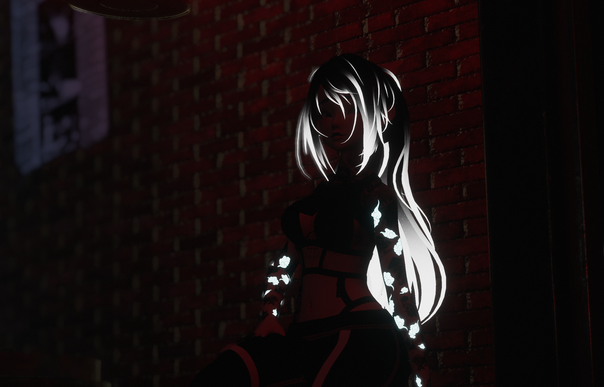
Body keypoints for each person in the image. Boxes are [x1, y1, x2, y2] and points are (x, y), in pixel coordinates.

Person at [191, 54, 446, 387]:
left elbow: (395, 281)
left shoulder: (374, 196)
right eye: (325, 111)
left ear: (376, 113)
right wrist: (269, 313)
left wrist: (418, 358)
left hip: (359, 332)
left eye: (346, 109)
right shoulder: (316, 199)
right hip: (302, 335)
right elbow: (284, 262)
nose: (333, 121)